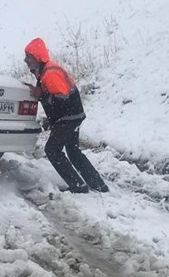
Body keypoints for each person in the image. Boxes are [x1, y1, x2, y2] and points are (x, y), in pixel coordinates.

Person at [24, 37, 109, 193]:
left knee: (52, 150)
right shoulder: (43, 72)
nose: (25, 60)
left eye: (28, 57)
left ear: (37, 57)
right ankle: (98, 185)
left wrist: (40, 94)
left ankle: (78, 186)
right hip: (73, 116)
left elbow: (62, 100)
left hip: (68, 118)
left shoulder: (49, 73)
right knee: (73, 151)